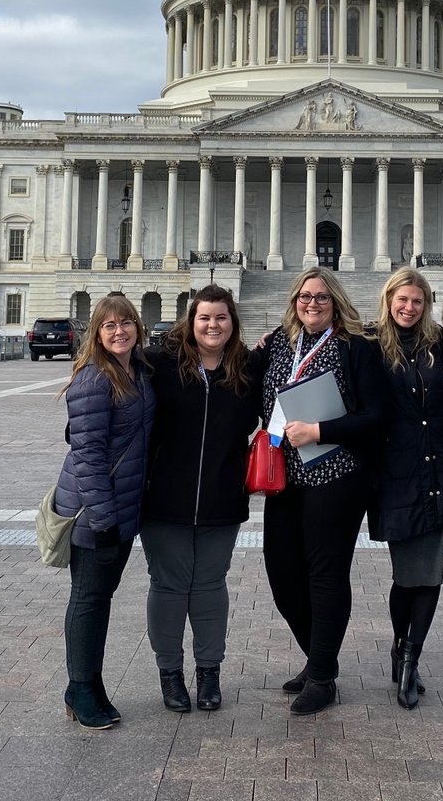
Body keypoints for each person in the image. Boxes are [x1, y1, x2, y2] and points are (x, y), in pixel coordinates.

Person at [255, 266, 388, 715]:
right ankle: (319, 656)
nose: (312, 303)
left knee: (325, 575)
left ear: (336, 302)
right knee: (281, 571)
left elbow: (376, 416)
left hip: (336, 476)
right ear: (295, 301)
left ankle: (322, 674)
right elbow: (239, 378)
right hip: (285, 475)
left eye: (322, 297)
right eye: (305, 297)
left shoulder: (356, 347)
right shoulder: (278, 342)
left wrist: (319, 430)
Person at [141, 285, 261, 714]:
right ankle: (170, 673)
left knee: (210, 587)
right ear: (191, 322)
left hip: (221, 499)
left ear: (233, 323)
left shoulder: (248, 370)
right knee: (169, 587)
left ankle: (209, 671)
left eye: (221, 318)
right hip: (163, 500)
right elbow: (110, 380)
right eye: (205, 318)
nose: (213, 325)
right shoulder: (159, 364)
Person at [53, 294, 156, 729]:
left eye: (126, 323)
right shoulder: (95, 379)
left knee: (99, 599)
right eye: (109, 325)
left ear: (138, 327)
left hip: (120, 505)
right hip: (96, 511)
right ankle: (79, 688)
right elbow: (87, 456)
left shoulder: (138, 371)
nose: (119, 331)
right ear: (96, 332)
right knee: (89, 599)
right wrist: (103, 519)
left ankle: (90, 686)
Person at [367, 269, 443, 709]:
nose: (409, 308)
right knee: (406, 575)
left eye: (418, 301)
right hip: (394, 472)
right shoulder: (370, 347)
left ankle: (410, 657)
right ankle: (401, 644)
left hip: (437, 468)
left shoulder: (440, 343)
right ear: (389, 300)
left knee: (431, 571)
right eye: (402, 300)